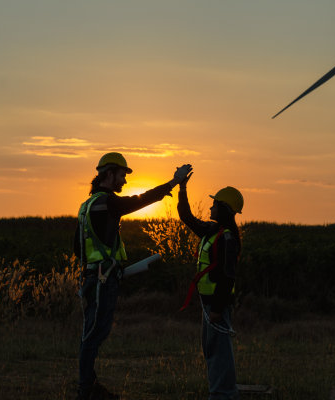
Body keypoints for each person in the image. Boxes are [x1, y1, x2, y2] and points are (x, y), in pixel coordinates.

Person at [73, 152, 192, 400]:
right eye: (121, 175)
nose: (124, 181)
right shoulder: (108, 202)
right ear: (109, 174)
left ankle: (89, 385)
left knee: (92, 333)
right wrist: (173, 182)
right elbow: (140, 200)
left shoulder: (88, 205)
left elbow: (78, 247)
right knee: (95, 334)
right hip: (102, 281)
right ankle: (86, 389)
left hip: (93, 279)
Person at [177, 174, 243, 400]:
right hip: (209, 304)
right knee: (213, 350)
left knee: (219, 352)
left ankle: (223, 394)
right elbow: (186, 217)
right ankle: (222, 392)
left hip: (216, 305)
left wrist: (216, 308)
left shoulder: (226, 239)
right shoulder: (211, 231)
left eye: (215, 203)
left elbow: (227, 278)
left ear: (224, 208)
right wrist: (182, 188)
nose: (211, 206)